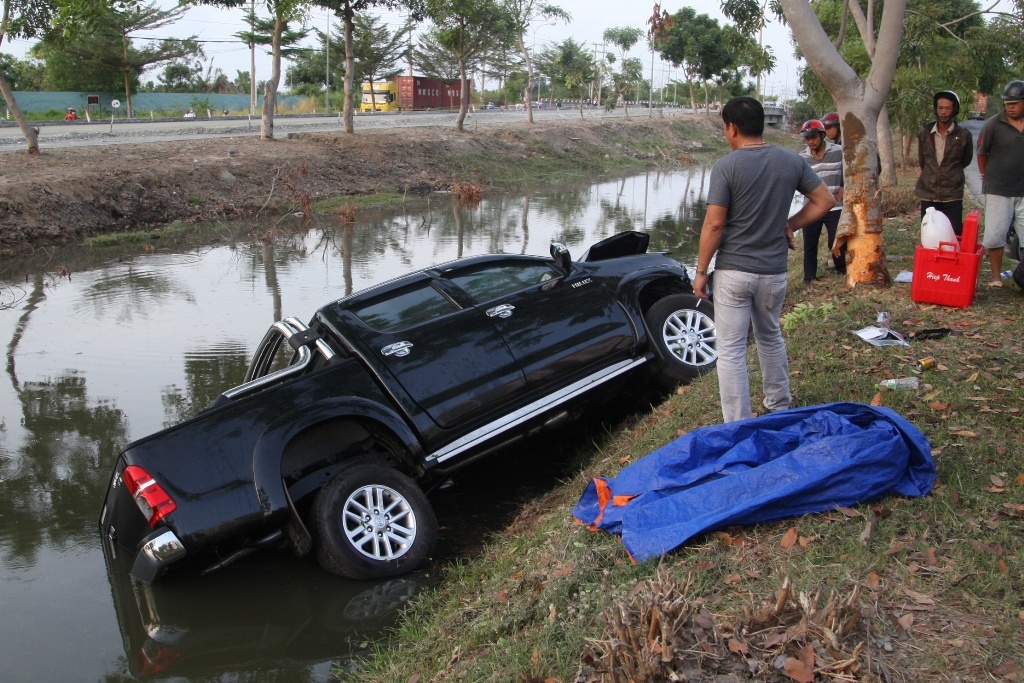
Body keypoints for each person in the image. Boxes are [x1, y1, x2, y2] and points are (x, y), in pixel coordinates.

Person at [693, 97, 834, 423]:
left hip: (733, 274)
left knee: (730, 349)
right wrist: (792, 224)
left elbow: (714, 224)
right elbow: (824, 200)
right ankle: (779, 406)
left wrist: (701, 271)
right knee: (770, 336)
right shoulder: (789, 161)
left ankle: (739, 424)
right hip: (773, 272)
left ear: (732, 128)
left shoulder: (726, 167)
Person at [977, 79, 1024, 288]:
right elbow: (981, 154)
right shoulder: (993, 124)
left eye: (1014, 102)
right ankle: (996, 277)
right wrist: (987, 176)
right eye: (1007, 103)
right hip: (998, 189)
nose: (1010, 107)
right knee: (995, 235)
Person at [915, 90, 973, 236]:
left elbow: (965, 160)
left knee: (953, 234)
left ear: (954, 110)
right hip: (928, 192)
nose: (943, 112)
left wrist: (950, 174)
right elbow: (923, 160)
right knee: (929, 233)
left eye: (947, 108)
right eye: (940, 108)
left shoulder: (963, 135)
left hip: (952, 193)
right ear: (936, 109)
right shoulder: (925, 133)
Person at [798, 119, 846, 281]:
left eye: (813, 137)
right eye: (807, 138)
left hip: (835, 206)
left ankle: (841, 269)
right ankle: (809, 277)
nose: (810, 141)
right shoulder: (801, 158)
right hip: (812, 208)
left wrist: (843, 185)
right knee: (810, 244)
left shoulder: (839, 151)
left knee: (836, 240)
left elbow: (849, 169)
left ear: (822, 135)